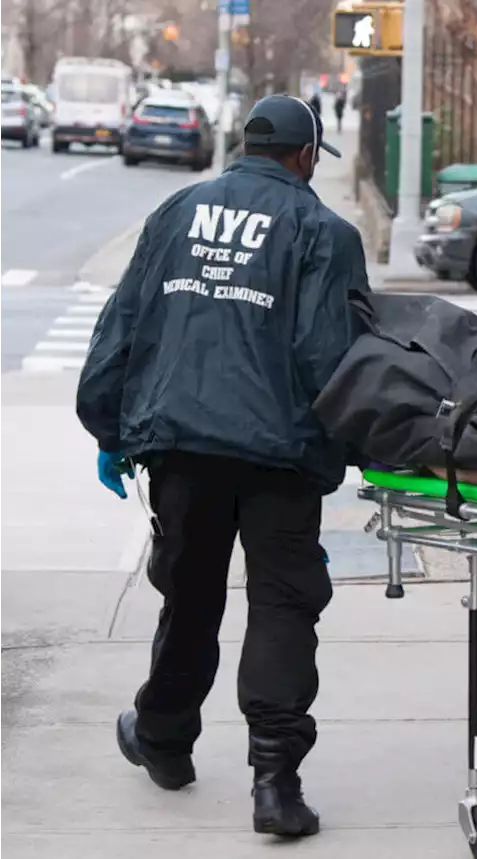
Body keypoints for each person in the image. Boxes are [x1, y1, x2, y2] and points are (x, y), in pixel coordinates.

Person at [76, 94, 369, 839]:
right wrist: (342, 450)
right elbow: (327, 359)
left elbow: (125, 325)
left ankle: (165, 741)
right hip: (280, 455)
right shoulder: (322, 231)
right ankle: (275, 783)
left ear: (244, 146)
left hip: (182, 445)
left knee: (191, 598)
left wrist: (109, 427)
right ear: (306, 156)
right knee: (281, 603)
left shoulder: (177, 212)